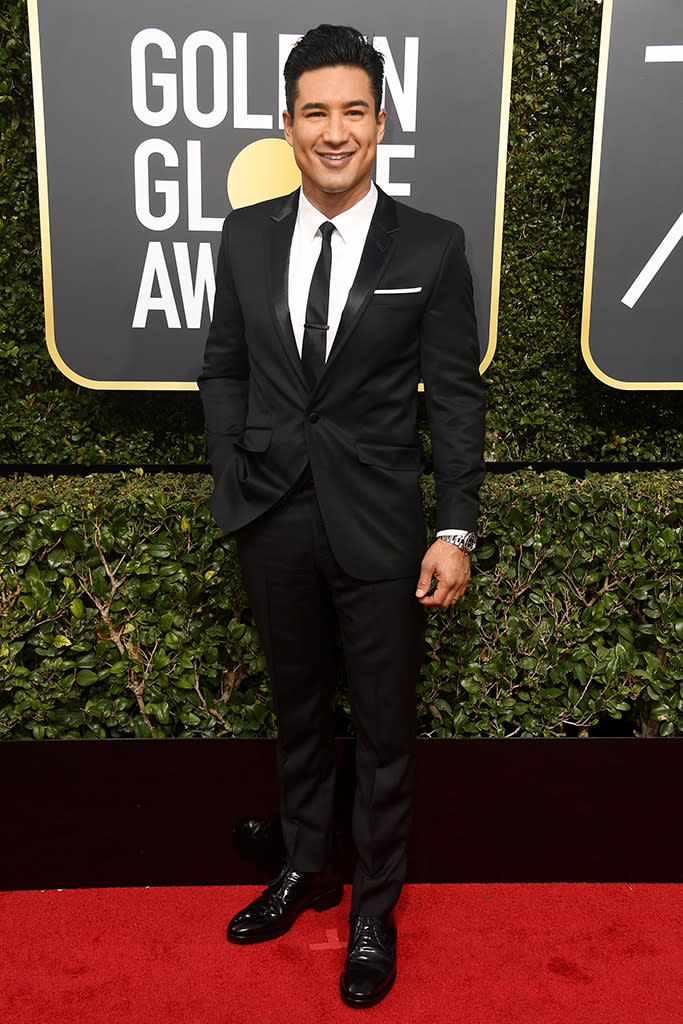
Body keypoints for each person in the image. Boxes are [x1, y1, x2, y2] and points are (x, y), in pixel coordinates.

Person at [198, 24, 485, 1009]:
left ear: (378, 124)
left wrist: (454, 528)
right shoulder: (242, 235)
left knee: (385, 728)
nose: (333, 130)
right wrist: (232, 477)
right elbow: (224, 367)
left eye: (352, 111)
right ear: (286, 124)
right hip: (271, 515)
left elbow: (453, 399)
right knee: (294, 710)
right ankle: (300, 868)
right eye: (313, 111)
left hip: (378, 526)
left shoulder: (433, 246)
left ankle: (371, 908)